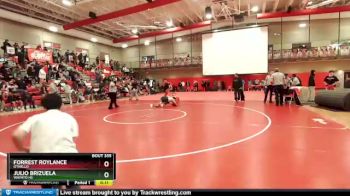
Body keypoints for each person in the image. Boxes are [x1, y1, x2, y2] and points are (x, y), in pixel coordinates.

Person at [12, 93, 79, 189]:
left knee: (47, 183)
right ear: (61, 104)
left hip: (43, 161)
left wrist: (22, 148)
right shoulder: (69, 118)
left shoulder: (35, 118)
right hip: (68, 159)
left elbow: (16, 135)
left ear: (43, 105)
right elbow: (72, 139)